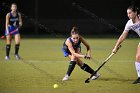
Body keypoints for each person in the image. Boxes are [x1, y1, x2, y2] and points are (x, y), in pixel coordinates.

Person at [112, 5, 140, 84]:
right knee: (138, 57)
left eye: (130, 13)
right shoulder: (129, 23)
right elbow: (123, 36)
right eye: (127, 13)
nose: (128, 15)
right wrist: (115, 47)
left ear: (135, 12)